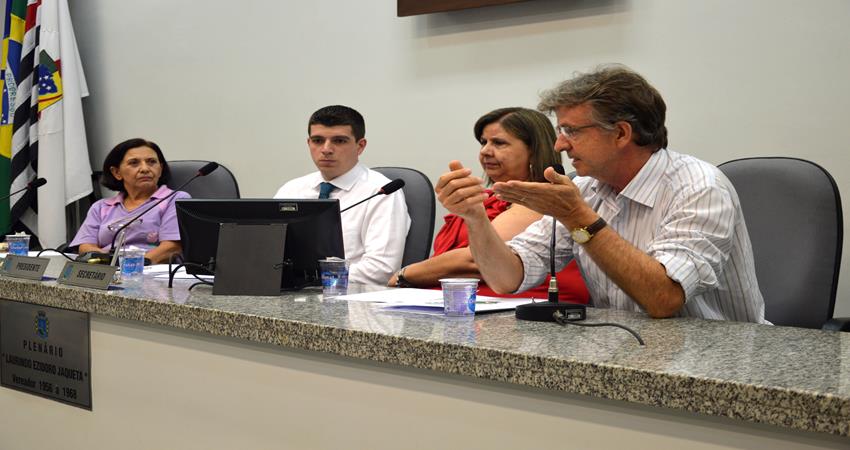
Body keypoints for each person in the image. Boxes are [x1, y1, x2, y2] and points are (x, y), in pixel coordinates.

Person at [436, 65, 767, 322]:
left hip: (718, 357)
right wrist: (475, 217)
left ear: (621, 133)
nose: (559, 145)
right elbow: (508, 278)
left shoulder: (700, 187)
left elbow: (663, 299)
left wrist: (577, 217)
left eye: (572, 131)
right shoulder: (585, 188)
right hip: (623, 349)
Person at [388, 107, 589, 304]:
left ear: (534, 151)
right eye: (483, 142)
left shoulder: (543, 199)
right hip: (454, 304)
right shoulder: (485, 199)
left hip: (517, 313)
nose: (485, 151)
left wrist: (404, 274)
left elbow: (474, 260)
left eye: (499, 143)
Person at [274, 105, 410, 285]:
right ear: (309, 143)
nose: (326, 149)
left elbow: (381, 270)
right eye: (317, 140)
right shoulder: (292, 189)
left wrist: (315, 278)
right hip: (290, 294)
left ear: (360, 146)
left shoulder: (381, 192)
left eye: (339, 141)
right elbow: (269, 251)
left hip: (353, 299)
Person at [70, 138, 190, 264]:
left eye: (151, 162)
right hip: (108, 271)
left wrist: (131, 267)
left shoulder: (175, 199)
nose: (145, 169)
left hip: (152, 271)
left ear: (160, 169)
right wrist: (108, 263)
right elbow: (85, 246)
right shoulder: (101, 207)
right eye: (134, 163)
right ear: (117, 172)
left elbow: (171, 248)